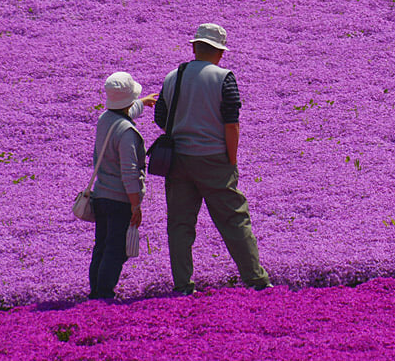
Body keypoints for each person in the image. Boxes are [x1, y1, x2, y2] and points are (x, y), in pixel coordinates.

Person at [155, 23, 271, 294]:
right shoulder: (224, 78)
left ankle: (183, 285)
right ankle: (257, 280)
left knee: (180, 225)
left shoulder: (173, 76)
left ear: (194, 47)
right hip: (214, 159)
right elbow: (232, 124)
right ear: (220, 52)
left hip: (179, 161)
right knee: (234, 219)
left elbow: (161, 117)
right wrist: (231, 159)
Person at [89, 71, 158, 300]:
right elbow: (129, 172)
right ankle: (105, 293)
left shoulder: (104, 119)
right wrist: (135, 205)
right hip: (120, 200)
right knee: (116, 249)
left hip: (101, 196)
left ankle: (95, 291)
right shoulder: (128, 132)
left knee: (101, 246)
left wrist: (143, 101)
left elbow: (123, 112)